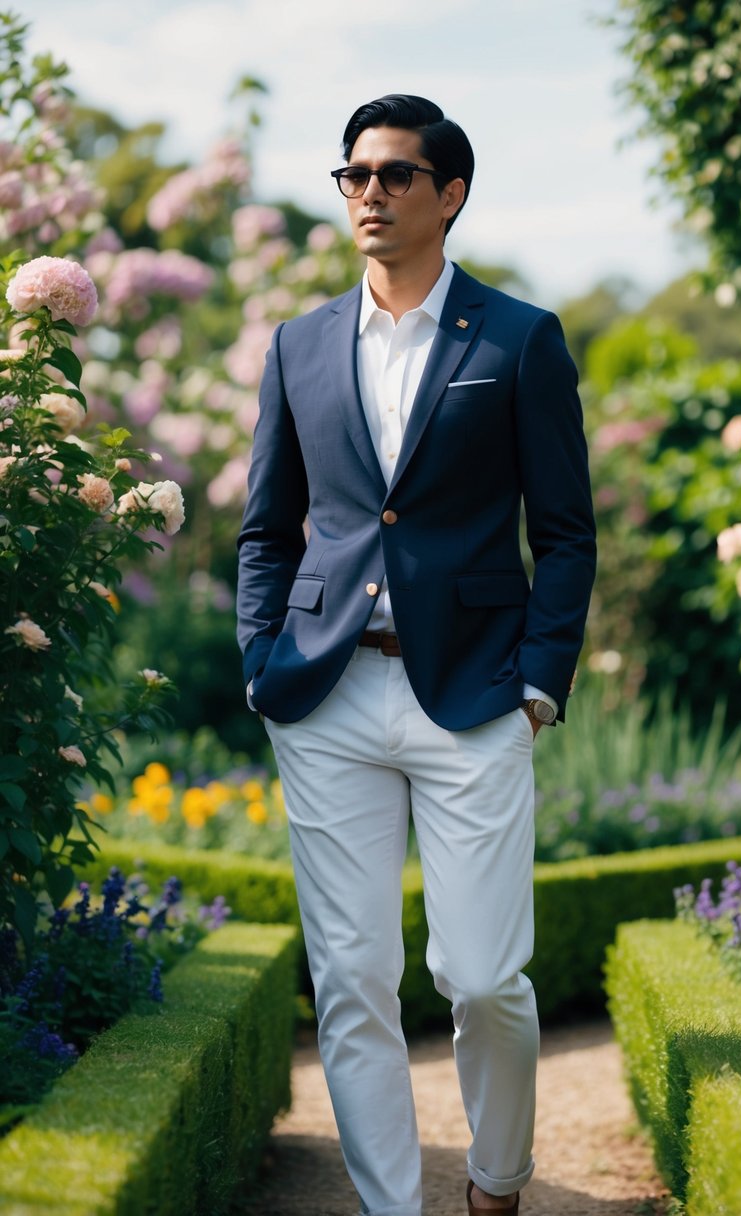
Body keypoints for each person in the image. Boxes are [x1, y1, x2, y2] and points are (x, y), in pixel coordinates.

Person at [236, 93, 596, 1216]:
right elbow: (266, 527)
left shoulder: (518, 338)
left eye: (395, 175)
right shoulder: (297, 345)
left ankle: (497, 1179)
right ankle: (390, 1206)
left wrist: (538, 682)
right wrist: (260, 659)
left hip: (475, 692)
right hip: (325, 691)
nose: (370, 193)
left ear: (449, 195)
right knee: (351, 977)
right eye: (354, 175)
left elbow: (567, 532)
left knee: (481, 977)